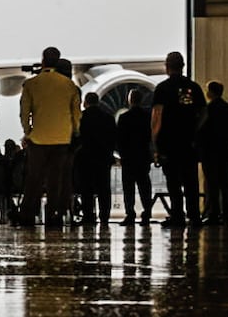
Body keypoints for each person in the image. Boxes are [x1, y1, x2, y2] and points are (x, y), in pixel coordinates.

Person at [15, 47, 81, 227]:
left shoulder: (31, 84)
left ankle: (27, 215)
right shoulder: (69, 86)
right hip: (61, 140)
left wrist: (28, 132)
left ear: (43, 60)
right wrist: (74, 132)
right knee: (56, 181)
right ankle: (54, 215)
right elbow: (76, 114)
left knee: (34, 180)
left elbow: (24, 112)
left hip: (38, 139)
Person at [151, 51, 205, 227]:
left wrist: (155, 142)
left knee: (173, 182)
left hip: (169, 143)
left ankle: (178, 216)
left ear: (167, 67)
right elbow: (204, 113)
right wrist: (194, 129)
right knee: (191, 181)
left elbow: (157, 116)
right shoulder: (193, 88)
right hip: (188, 143)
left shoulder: (162, 89)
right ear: (183, 66)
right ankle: (195, 216)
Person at [197, 80, 228, 224]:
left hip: (210, 152)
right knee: (226, 184)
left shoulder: (208, 109)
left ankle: (213, 213)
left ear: (210, 92)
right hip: (225, 151)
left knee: (212, 184)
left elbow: (201, 130)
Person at [76, 91, 116, 225]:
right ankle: (104, 216)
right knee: (104, 188)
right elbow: (113, 140)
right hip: (103, 158)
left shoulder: (80, 118)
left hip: (85, 158)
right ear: (98, 102)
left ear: (85, 103)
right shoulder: (108, 118)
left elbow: (77, 138)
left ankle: (88, 216)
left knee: (86, 188)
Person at [115, 88, 153, 225]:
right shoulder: (148, 116)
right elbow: (151, 136)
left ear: (130, 100)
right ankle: (147, 213)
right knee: (144, 186)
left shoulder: (124, 118)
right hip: (143, 156)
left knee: (128, 188)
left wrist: (121, 155)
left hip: (128, 158)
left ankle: (130, 214)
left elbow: (119, 139)